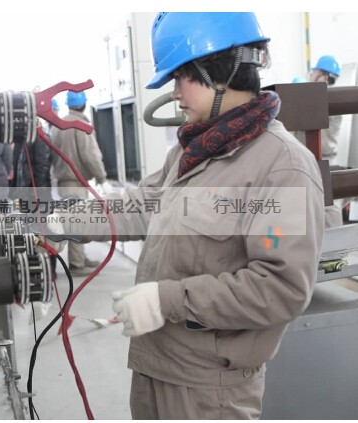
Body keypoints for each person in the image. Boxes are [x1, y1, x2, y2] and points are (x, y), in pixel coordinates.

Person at [58, 12, 324, 418]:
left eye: (182, 77)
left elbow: (279, 288)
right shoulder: (193, 152)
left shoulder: (279, 167)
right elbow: (140, 206)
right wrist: (62, 221)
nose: (175, 93)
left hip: (209, 391)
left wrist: (167, 300)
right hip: (156, 365)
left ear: (222, 72)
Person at [50, 90, 108, 274]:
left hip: (64, 182)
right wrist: (102, 178)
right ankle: (76, 264)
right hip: (75, 182)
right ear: (83, 104)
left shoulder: (57, 126)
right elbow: (90, 156)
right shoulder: (81, 126)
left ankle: (80, 257)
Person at [293, 55, 343, 227]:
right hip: (318, 159)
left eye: (314, 72)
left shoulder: (324, 98)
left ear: (323, 76)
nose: (311, 75)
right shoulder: (332, 97)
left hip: (320, 160)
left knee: (328, 210)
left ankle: (335, 242)